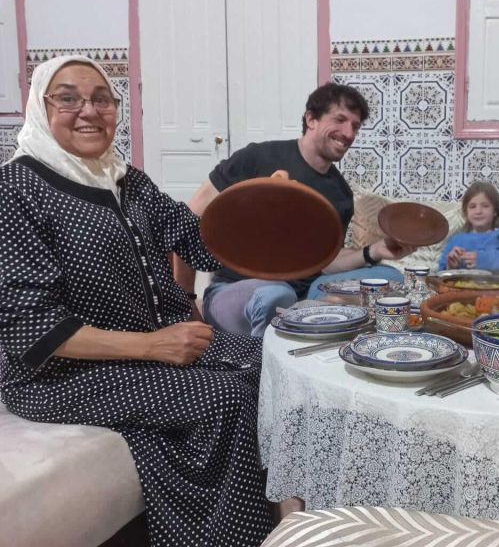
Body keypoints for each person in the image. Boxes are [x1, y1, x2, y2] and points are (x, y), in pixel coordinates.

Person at [0, 56, 274, 546]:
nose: (88, 110)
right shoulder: (17, 189)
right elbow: (33, 330)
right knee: (224, 395)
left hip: (152, 352)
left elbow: (199, 240)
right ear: (40, 108)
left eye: (102, 98)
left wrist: (262, 208)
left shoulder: (127, 181)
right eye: (68, 98)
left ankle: (265, 521)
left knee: (268, 361)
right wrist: (152, 346)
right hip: (61, 375)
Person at [177, 83, 414, 337]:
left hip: (307, 289)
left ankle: (306, 313)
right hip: (236, 290)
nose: (348, 133)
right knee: (276, 294)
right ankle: (266, 362)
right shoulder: (257, 157)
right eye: (340, 120)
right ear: (311, 119)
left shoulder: (341, 194)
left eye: (355, 126)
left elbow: (326, 262)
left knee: (389, 278)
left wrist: (375, 251)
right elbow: (185, 221)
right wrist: (187, 304)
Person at [438, 181, 499, 271]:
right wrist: (450, 265)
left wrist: (483, 260)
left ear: (495, 211)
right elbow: (440, 272)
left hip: (496, 283)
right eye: (472, 207)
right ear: (465, 212)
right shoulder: (456, 240)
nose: (478, 211)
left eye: (485, 206)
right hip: (460, 284)